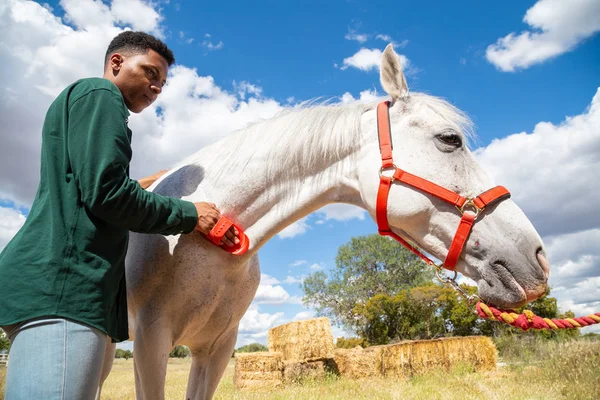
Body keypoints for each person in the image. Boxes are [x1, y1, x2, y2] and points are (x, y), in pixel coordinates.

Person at [0, 31, 239, 399]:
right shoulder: (101, 95)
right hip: (65, 289)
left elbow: (84, 184)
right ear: (116, 63)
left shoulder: (83, 103)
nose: (157, 87)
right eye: (149, 73)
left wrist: (148, 183)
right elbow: (107, 192)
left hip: (57, 290)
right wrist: (189, 214)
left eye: (162, 82)